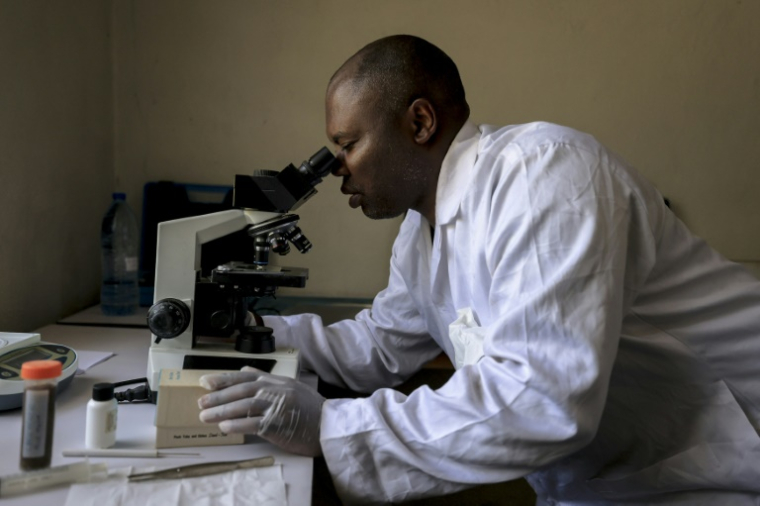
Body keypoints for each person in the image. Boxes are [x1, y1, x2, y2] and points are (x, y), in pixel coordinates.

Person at [196, 35, 760, 505]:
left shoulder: (543, 176)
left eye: (347, 144)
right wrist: (248, 337)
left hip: (726, 463)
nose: (338, 170)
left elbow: (541, 398)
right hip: (615, 477)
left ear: (419, 122)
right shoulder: (422, 232)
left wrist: (328, 427)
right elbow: (381, 345)